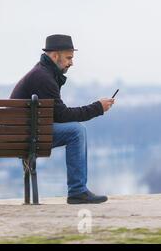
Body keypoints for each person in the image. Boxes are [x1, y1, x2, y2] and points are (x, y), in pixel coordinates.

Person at [10, 34, 114, 204]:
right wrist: (98, 108)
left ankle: (78, 191)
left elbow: (56, 115)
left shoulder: (43, 72)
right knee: (76, 131)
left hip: (23, 132)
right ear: (55, 55)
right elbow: (62, 115)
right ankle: (77, 191)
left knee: (76, 130)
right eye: (69, 57)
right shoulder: (44, 77)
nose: (71, 63)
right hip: (25, 136)